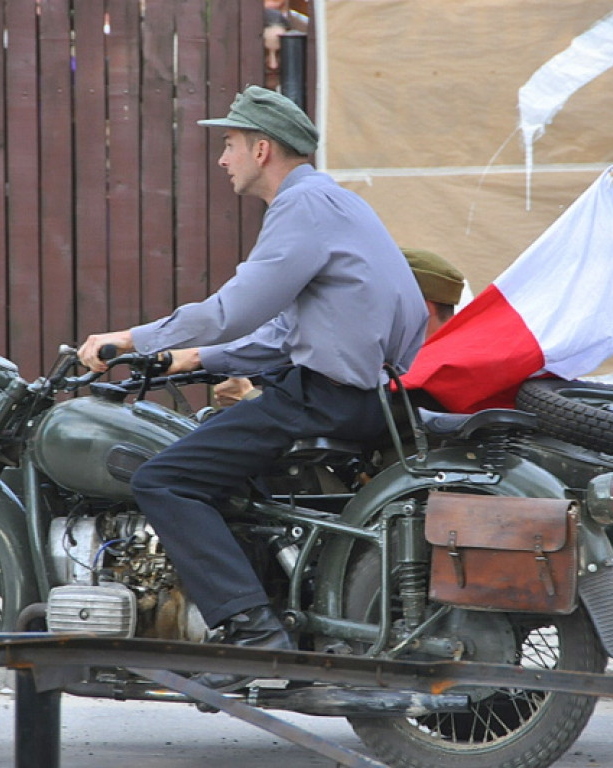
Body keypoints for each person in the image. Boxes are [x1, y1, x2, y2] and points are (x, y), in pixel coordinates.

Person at [77, 85, 427, 691]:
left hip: (324, 398)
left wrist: (131, 339)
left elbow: (230, 310)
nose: (222, 158)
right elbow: (282, 332)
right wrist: (190, 357)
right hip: (362, 396)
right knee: (214, 451)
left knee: (162, 478)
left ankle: (253, 633)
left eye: (230, 145)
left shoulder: (302, 209)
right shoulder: (333, 203)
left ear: (263, 149)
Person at [213, 247, 465, 407]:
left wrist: (247, 397)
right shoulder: (451, 353)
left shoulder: (428, 369)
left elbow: (349, 427)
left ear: (419, 307)